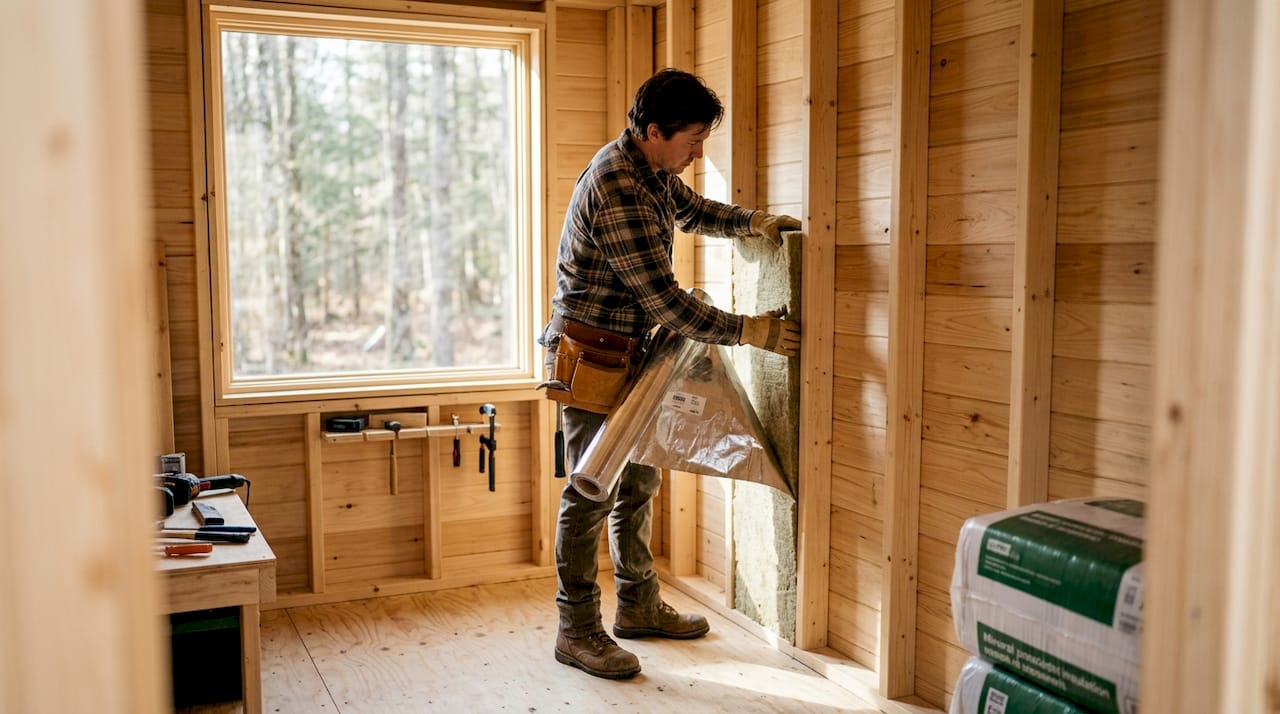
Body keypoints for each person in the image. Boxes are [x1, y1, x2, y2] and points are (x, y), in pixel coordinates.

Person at [539, 68, 802, 680]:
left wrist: (751, 222)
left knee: (639, 483)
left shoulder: (655, 172)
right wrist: (750, 330)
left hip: (633, 351)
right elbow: (665, 301)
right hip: (594, 357)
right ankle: (575, 631)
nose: (698, 152)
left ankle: (637, 605)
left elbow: (692, 211)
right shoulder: (618, 184)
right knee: (591, 488)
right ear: (654, 131)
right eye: (691, 140)